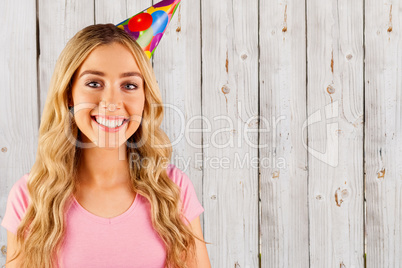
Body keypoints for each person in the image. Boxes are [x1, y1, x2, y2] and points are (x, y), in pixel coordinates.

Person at [1, 23, 211, 268]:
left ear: (145, 97)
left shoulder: (173, 190)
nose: (111, 102)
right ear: (69, 93)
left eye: (129, 85)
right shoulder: (30, 197)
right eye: (94, 83)